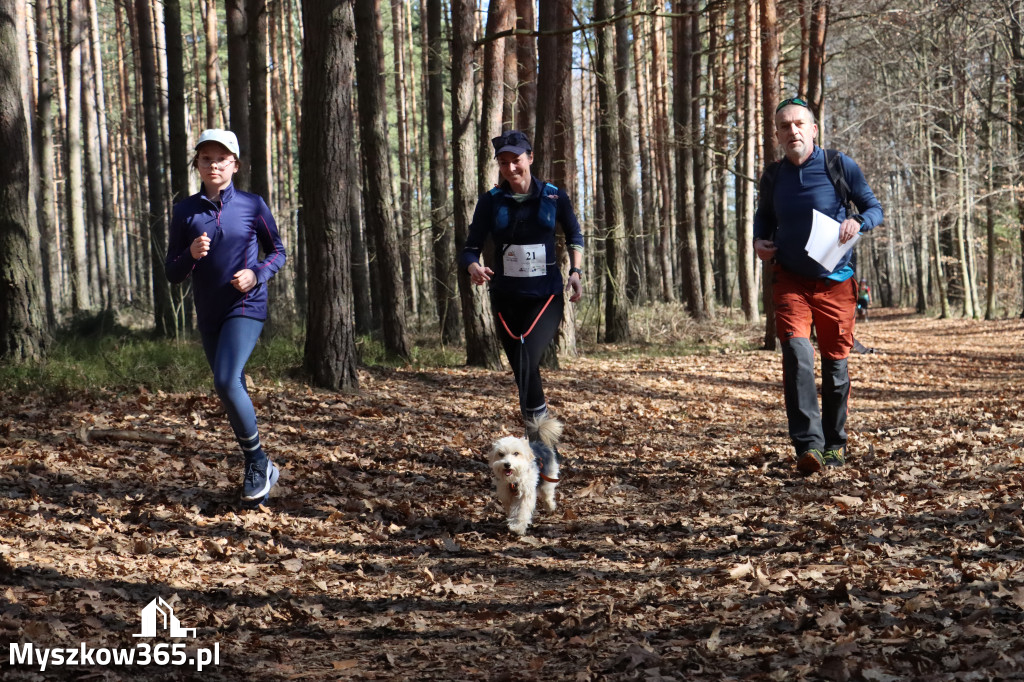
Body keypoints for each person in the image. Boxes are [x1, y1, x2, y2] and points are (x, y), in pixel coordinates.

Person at [753, 97, 883, 475]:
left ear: (813, 129)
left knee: (836, 368)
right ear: (777, 134)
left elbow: (875, 208)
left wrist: (859, 221)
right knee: (797, 355)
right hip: (790, 279)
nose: (792, 130)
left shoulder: (839, 165)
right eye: (784, 126)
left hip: (836, 282)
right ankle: (808, 448)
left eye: (798, 124)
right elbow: (764, 218)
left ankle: (835, 446)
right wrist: (759, 242)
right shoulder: (773, 176)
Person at [165, 129, 287, 506]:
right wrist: (191, 253)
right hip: (210, 310)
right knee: (234, 389)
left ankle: (256, 461)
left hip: (245, 304)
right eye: (206, 158)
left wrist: (256, 274)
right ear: (197, 165)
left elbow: (278, 252)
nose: (213, 164)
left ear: (234, 164)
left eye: (221, 158)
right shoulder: (186, 210)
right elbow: (172, 271)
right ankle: (262, 471)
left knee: (224, 379)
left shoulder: (252, 205)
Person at [460, 129, 584, 437]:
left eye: (516, 160)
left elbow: (575, 236)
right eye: (503, 163)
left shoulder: (554, 195)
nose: (510, 168)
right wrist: (473, 266)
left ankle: (542, 440)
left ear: (530, 157)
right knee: (521, 370)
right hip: (505, 298)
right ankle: (538, 435)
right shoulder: (491, 201)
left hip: (545, 297)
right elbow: (469, 248)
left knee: (527, 359)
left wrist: (576, 272)